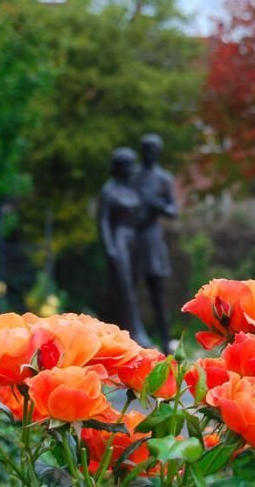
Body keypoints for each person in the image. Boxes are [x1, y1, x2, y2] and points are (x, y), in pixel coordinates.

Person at [98, 147, 151, 346]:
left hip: (134, 239)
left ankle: (117, 331)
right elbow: (103, 221)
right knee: (124, 286)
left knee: (131, 285)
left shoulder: (132, 189)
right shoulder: (109, 189)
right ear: (120, 166)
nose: (133, 168)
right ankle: (136, 332)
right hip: (119, 237)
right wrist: (110, 247)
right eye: (129, 164)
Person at [134, 134, 178, 354]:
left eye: (153, 149)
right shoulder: (133, 176)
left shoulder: (163, 178)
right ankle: (129, 341)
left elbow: (173, 211)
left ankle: (165, 342)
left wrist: (158, 205)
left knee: (157, 294)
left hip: (152, 238)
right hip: (133, 237)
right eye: (146, 149)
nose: (150, 153)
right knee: (129, 290)